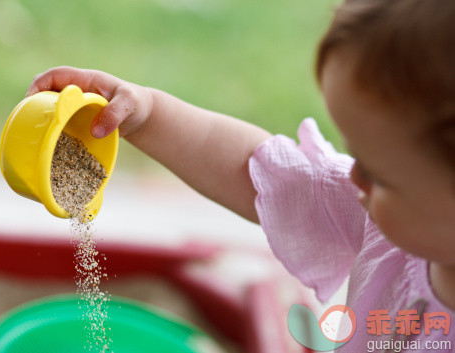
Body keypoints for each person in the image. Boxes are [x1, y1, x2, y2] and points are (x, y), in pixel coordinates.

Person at [26, 0, 455, 350]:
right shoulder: (382, 220)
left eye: (380, 173)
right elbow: (256, 170)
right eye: (355, 152)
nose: (354, 177)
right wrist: (147, 116)